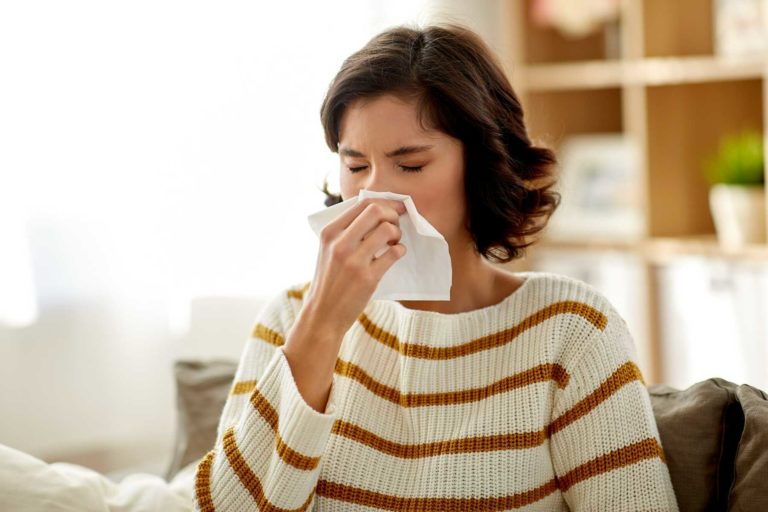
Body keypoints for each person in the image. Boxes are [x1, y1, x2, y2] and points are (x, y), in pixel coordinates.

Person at [193, 23, 680, 511]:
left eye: (410, 166)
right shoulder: (290, 319)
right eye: (356, 166)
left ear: (482, 167)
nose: (373, 196)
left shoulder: (571, 330)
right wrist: (322, 324)